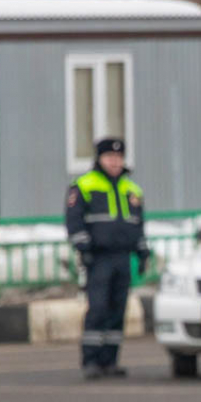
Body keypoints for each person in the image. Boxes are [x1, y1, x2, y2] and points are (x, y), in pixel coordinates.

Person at [66, 138, 150, 380]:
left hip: (123, 257)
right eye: (109, 157)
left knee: (117, 310)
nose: (115, 162)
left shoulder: (132, 190)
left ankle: (110, 361)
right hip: (99, 258)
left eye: (119, 157)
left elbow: (138, 225)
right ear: (99, 159)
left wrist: (142, 252)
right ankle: (91, 360)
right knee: (98, 308)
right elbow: (74, 220)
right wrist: (84, 247)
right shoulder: (84, 185)